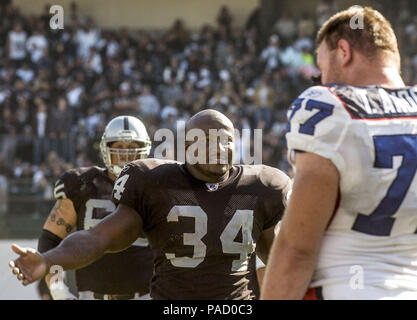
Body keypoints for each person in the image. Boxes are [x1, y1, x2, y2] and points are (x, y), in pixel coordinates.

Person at [9, 109, 291, 300]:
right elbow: (99, 238)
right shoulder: (155, 183)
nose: (216, 147)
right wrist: (48, 259)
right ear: (186, 148)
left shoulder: (261, 187)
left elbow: (279, 259)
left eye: (225, 140)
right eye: (204, 140)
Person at [261, 6, 417, 300]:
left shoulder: (330, 105)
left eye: (321, 66)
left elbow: (296, 249)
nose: (321, 79)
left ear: (343, 51)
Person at [36, 115, 154, 300]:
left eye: (132, 148)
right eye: (119, 148)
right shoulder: (82, 184)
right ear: (106, 150)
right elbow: (50, 241)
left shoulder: (156, 187)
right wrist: (57, 287)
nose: (125, 155)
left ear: (144, 150)